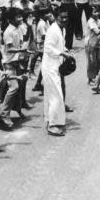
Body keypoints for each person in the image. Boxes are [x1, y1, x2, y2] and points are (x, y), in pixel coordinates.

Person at [42, 7, 72, 137]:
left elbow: (59, 45)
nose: (64, 19)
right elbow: (48, 48)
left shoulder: (61, 29)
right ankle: (53, 125)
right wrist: (62, 54)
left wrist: (65, 50)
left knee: (52, 95)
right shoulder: (53, 30)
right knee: (56, 96)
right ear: (55, 17)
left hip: (55, 65)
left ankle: (50, 120)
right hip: (49, 66)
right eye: (61, 17)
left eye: (66, 17)